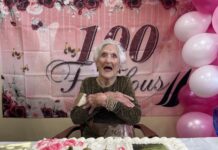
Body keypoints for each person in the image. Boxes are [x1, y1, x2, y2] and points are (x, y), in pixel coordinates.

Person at [70, 38, 141, 138]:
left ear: (119, 65)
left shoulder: (125, 82)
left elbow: (135, 116)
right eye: (103, 55)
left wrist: (107, 101)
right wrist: (98, 101)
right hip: (93, 142)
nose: (108, 60)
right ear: (97, 63)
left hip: (120, 141)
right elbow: (75, 117)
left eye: (114, 56)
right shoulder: (87, 83)